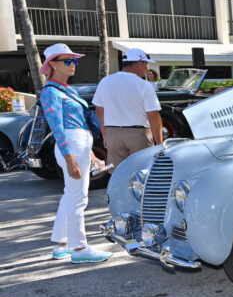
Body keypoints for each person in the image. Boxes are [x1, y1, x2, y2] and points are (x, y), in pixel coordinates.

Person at [38, 44, 111, 264]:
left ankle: (61, 245)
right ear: (52, 64)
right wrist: (70, 160)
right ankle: (79, 248)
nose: (73, 65)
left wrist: (91, 156)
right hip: (70, 145)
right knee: (78, 198)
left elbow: (80, 123)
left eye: (75, 61)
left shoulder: (66, 90)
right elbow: (56, 128)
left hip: (78, 144)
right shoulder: (50, 92)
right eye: (67, 61)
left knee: (71, 195)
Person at [92, 48, 163, 169]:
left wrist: (105, 133)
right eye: (146, 64)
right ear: (139, 63)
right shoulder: (144, 85)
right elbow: (153, 115)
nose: (146, 68)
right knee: (143, 172)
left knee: (118, 173)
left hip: (112, 134)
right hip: (138, 135)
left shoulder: (105, 81)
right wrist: (159, 143)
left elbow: (99, 110)